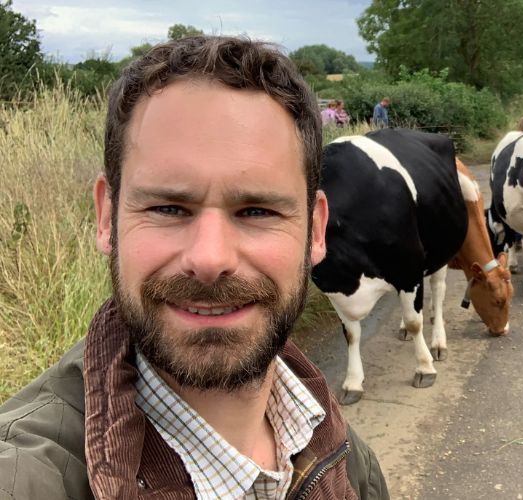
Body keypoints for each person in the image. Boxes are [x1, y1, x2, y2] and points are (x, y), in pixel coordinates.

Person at [0, 36, 389, 499]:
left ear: (316, 232)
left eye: (258, 211)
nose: (210, 259)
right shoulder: (28, 476)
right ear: (107, 218)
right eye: (168, 208)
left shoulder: (345, 456)